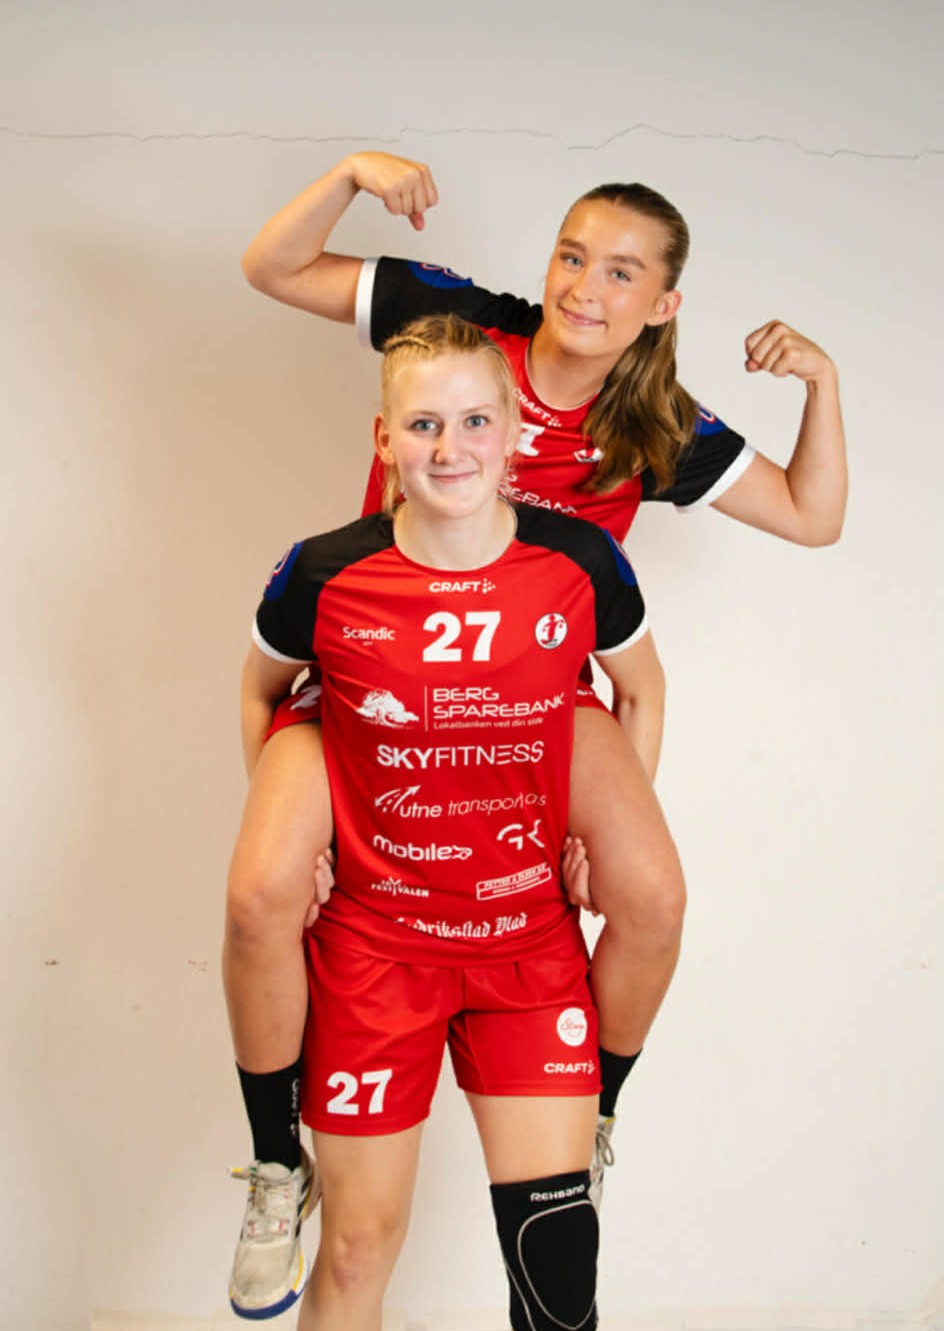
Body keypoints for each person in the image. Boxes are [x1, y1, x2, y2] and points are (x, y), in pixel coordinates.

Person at [228, 150, 846, 1260]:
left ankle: (592, 1108)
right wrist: (349, 174)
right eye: (571, 255)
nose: (583, 287)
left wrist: (821, 381)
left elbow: (811, 514)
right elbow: (271, 267)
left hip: (532, 697)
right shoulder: (462, 336)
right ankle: (278, 1160)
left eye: (619, 272)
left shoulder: (653, 421)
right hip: (379, 670)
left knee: (650, 893)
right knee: (262, 889)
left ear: (662, 306)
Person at [228, 313, 681, 1328]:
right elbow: (261, 691)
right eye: (424, 424)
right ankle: (275, 1163)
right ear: (384, 437)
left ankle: (596, 1109)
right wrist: (297, 831)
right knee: (355, 1248)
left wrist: (594, 834)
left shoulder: (579, 561)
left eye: (475, 420)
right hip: (375, 952)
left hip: (524, 948)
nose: (450, 447)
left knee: (555, 1269)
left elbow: (641, 689)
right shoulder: (324, 570)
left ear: (513, 430)